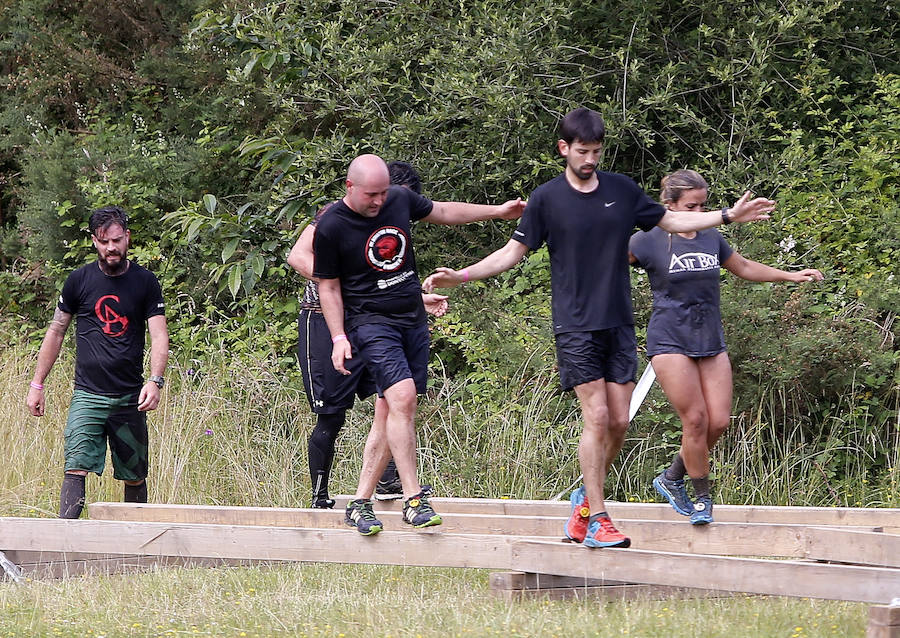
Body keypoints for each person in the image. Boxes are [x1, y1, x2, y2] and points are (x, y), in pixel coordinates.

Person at [423, 107, 775, 548]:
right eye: (582, 151)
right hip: (575, 325)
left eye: (596, 151)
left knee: (620, 422)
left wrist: (725, 217)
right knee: (599, 415)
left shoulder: (622, 191)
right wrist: (464, 275)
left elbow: (673, 221)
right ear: (564, 149)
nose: (590, 159)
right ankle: (599, 518)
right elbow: (512, 252)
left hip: (618, 322)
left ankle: (584, 504)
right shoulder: (547, 199)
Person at [314, 153, 524, 535]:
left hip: (411, 317)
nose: (379, 202)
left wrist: (498, 211)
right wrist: (339, 337)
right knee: (404, 397)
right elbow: (327, 285)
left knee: (389, 410)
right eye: (371, 195)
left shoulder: (398, 199)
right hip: (369, 323)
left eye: (382, 194)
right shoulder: (331, 226)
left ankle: (360, 503)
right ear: (350, 187)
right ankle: (413, 499)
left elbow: (444, 211)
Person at [628, 169, 824, 524]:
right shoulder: (646, 240)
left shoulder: (710, 237)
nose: (700, 211)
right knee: (696, 419)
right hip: (669, 339)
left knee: (717, 421)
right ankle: (702, 499)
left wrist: (790, 275)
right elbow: (604, 263)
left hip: (709, 339)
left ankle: (672, 478)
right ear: (669, 205)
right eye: (691, 205)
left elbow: (743, 266)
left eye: (704, 204)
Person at [286, 161, 448, 509]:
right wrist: (339, 283)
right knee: (332, 413)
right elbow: (297, 256)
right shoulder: (334, 218)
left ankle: (387, 485)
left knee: (391, 399)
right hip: (325, 318)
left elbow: (378, 285)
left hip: (371, 319)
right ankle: (319, 496)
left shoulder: (390, 213)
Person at [25, 205, 168, 518]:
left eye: (117, 240)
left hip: (131, 397)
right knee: (75, 466)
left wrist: (155, 381)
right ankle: (66, 544)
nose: (111, 247)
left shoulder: (145, 282)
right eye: (104, 242)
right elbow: (57, 331)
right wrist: (37, 384)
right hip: (88, 395)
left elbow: (159, 336)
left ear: (127, 237)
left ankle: (135, 551)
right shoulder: (79, 281)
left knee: (134, 474)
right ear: (94, 241)